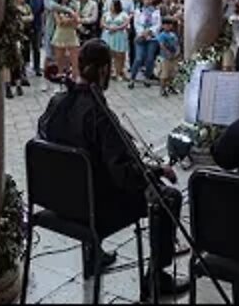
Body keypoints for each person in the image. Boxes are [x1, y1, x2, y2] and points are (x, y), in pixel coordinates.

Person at [37, 39, 191, 297]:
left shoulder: (57, 103)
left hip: (59, 201)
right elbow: (126, 176)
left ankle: (93, 253)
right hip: (93, 209)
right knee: (168, 197)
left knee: (91, 175)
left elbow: (46, 138)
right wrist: (155, 171)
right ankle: (156, 278)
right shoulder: (100, 116)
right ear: (104, 70)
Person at [155, 17, 180, 97]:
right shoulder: (162, 35)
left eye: (170, 25)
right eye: (166, 25)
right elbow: (161, 45)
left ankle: (171, 87)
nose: (168, 26)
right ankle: (162, 89)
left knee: (173, 73)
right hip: (165, 58)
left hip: (174, 57)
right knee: (164, 74)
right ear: (163, 26)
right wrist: (168, 53)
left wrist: (177, 52)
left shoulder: (173, 35)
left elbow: (177, 44)